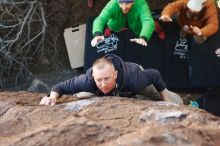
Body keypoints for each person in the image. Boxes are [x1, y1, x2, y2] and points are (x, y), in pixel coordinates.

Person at [39, 54, 183, 106]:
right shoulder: (88, 81)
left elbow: (155, 74)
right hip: (115, 87)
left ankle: (182, 101)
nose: (103, 84)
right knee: (82, 96)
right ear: (93, 77)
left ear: (114, 74)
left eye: (106, 78)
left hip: (133, 75)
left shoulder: (134, 79)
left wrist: (167, 101)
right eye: (99, 80)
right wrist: (51, 97)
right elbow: (60, 87)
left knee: (170, 100)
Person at [91, 0, 155, 47]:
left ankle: (159, 30)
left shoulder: (141, 3)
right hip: (117, 24)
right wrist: (97, 34)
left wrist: (143, 37)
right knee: (113, 26)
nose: (124, 7)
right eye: (121, 2)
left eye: (128, 2)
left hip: (136, 23)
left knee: (152, 26)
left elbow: (148, 21)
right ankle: (111, 29)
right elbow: (100, 19)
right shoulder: (112, 4)